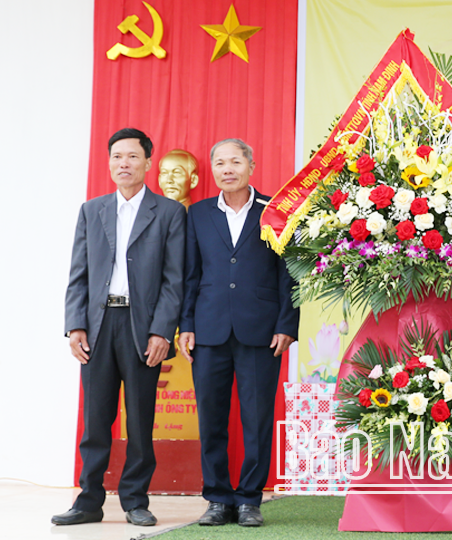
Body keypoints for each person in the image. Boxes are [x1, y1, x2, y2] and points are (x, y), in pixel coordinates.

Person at [57, 128, 186, 527]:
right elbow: (78, 274)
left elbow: (174, 279)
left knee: (140, 420)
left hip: (142, 326)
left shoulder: (168, 213)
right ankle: (88, 500)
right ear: (109, 162)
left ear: (148, 162)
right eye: (116, 157)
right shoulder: (91, 210)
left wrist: (163, 331)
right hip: (97, 326)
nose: (123, 164)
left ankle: (135, 499)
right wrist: (75, 325)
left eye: (132, 157)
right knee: (96, 418)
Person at [178, 138, 299, 527]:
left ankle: (249, 499)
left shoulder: (275, 212)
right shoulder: (196, 214)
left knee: (258, 418)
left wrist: (286, 325)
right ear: (212, 170)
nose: (227, 169)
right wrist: (187, 324)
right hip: (209, 329)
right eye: (220, 163)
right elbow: (190, 274)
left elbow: (289, 273)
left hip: (261, 331)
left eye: (235, 161)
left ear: (251, 166)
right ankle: (216, 498)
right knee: (211, 419)